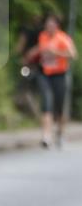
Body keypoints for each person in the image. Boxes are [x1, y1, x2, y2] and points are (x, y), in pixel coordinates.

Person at [25, 12, 77, 148]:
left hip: (59, 74)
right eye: (47, 23)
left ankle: (59, 133)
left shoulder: (63, 38)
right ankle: (46, 136)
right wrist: (32, 53)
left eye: (51, 23)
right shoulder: (43, 36)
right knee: (46, 102)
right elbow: (41, 48)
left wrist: (56, 53)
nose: (49, 26)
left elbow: (72, 54)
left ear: (57, 25)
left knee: (59, 106)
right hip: (44, 73)